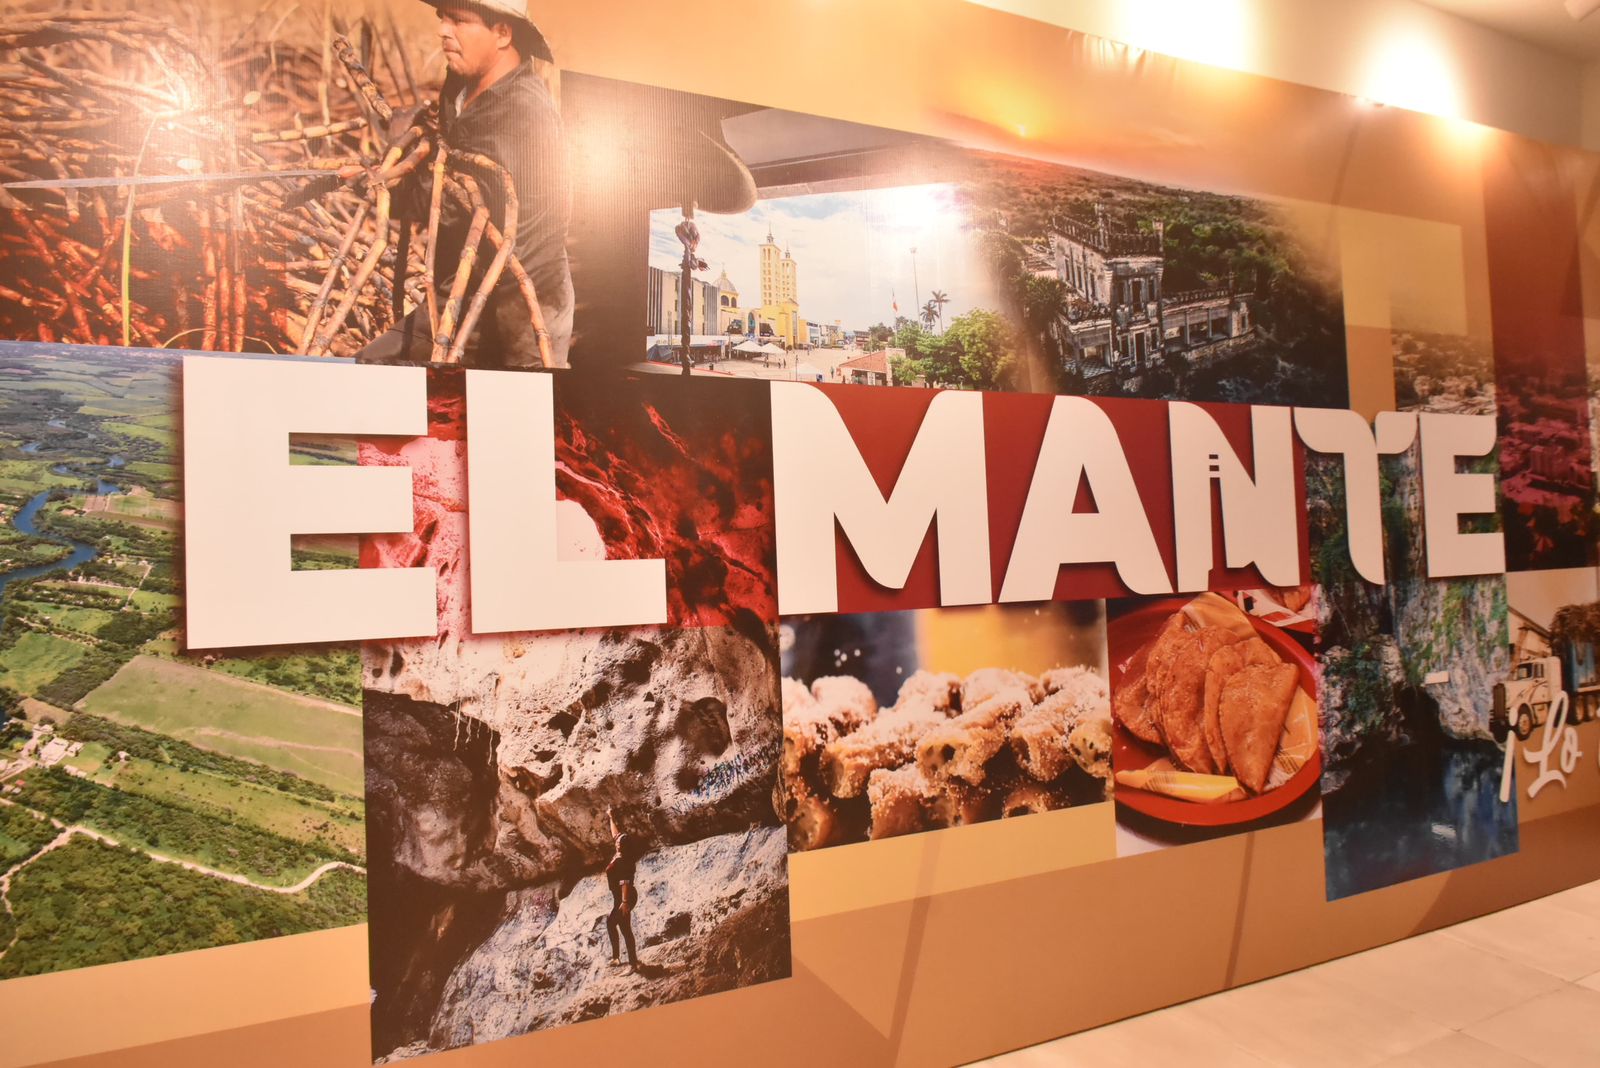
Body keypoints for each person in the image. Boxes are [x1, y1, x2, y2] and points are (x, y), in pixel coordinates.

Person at [359, 0, 573, 368]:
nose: (443, 30)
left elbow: (458, 208)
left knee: (519, 396)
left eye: (459, 20)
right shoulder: (462, 84)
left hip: (523, 303)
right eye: (442, 18)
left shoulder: (520, 112)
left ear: (502, 33)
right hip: (461, 286)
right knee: (375, 366)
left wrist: (390, 170)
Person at [605, 805, 642, 972]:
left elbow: (625, 882)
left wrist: (625, 902)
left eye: (619, 842)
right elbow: (615, 834)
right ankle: (617, 958)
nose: (616, 841)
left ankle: (633, 964)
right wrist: (611, 817)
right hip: (619, 897)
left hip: (625, 896)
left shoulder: (622, 861)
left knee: (623, 927)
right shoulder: (620, 853)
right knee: (613, 924)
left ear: (623, 846)